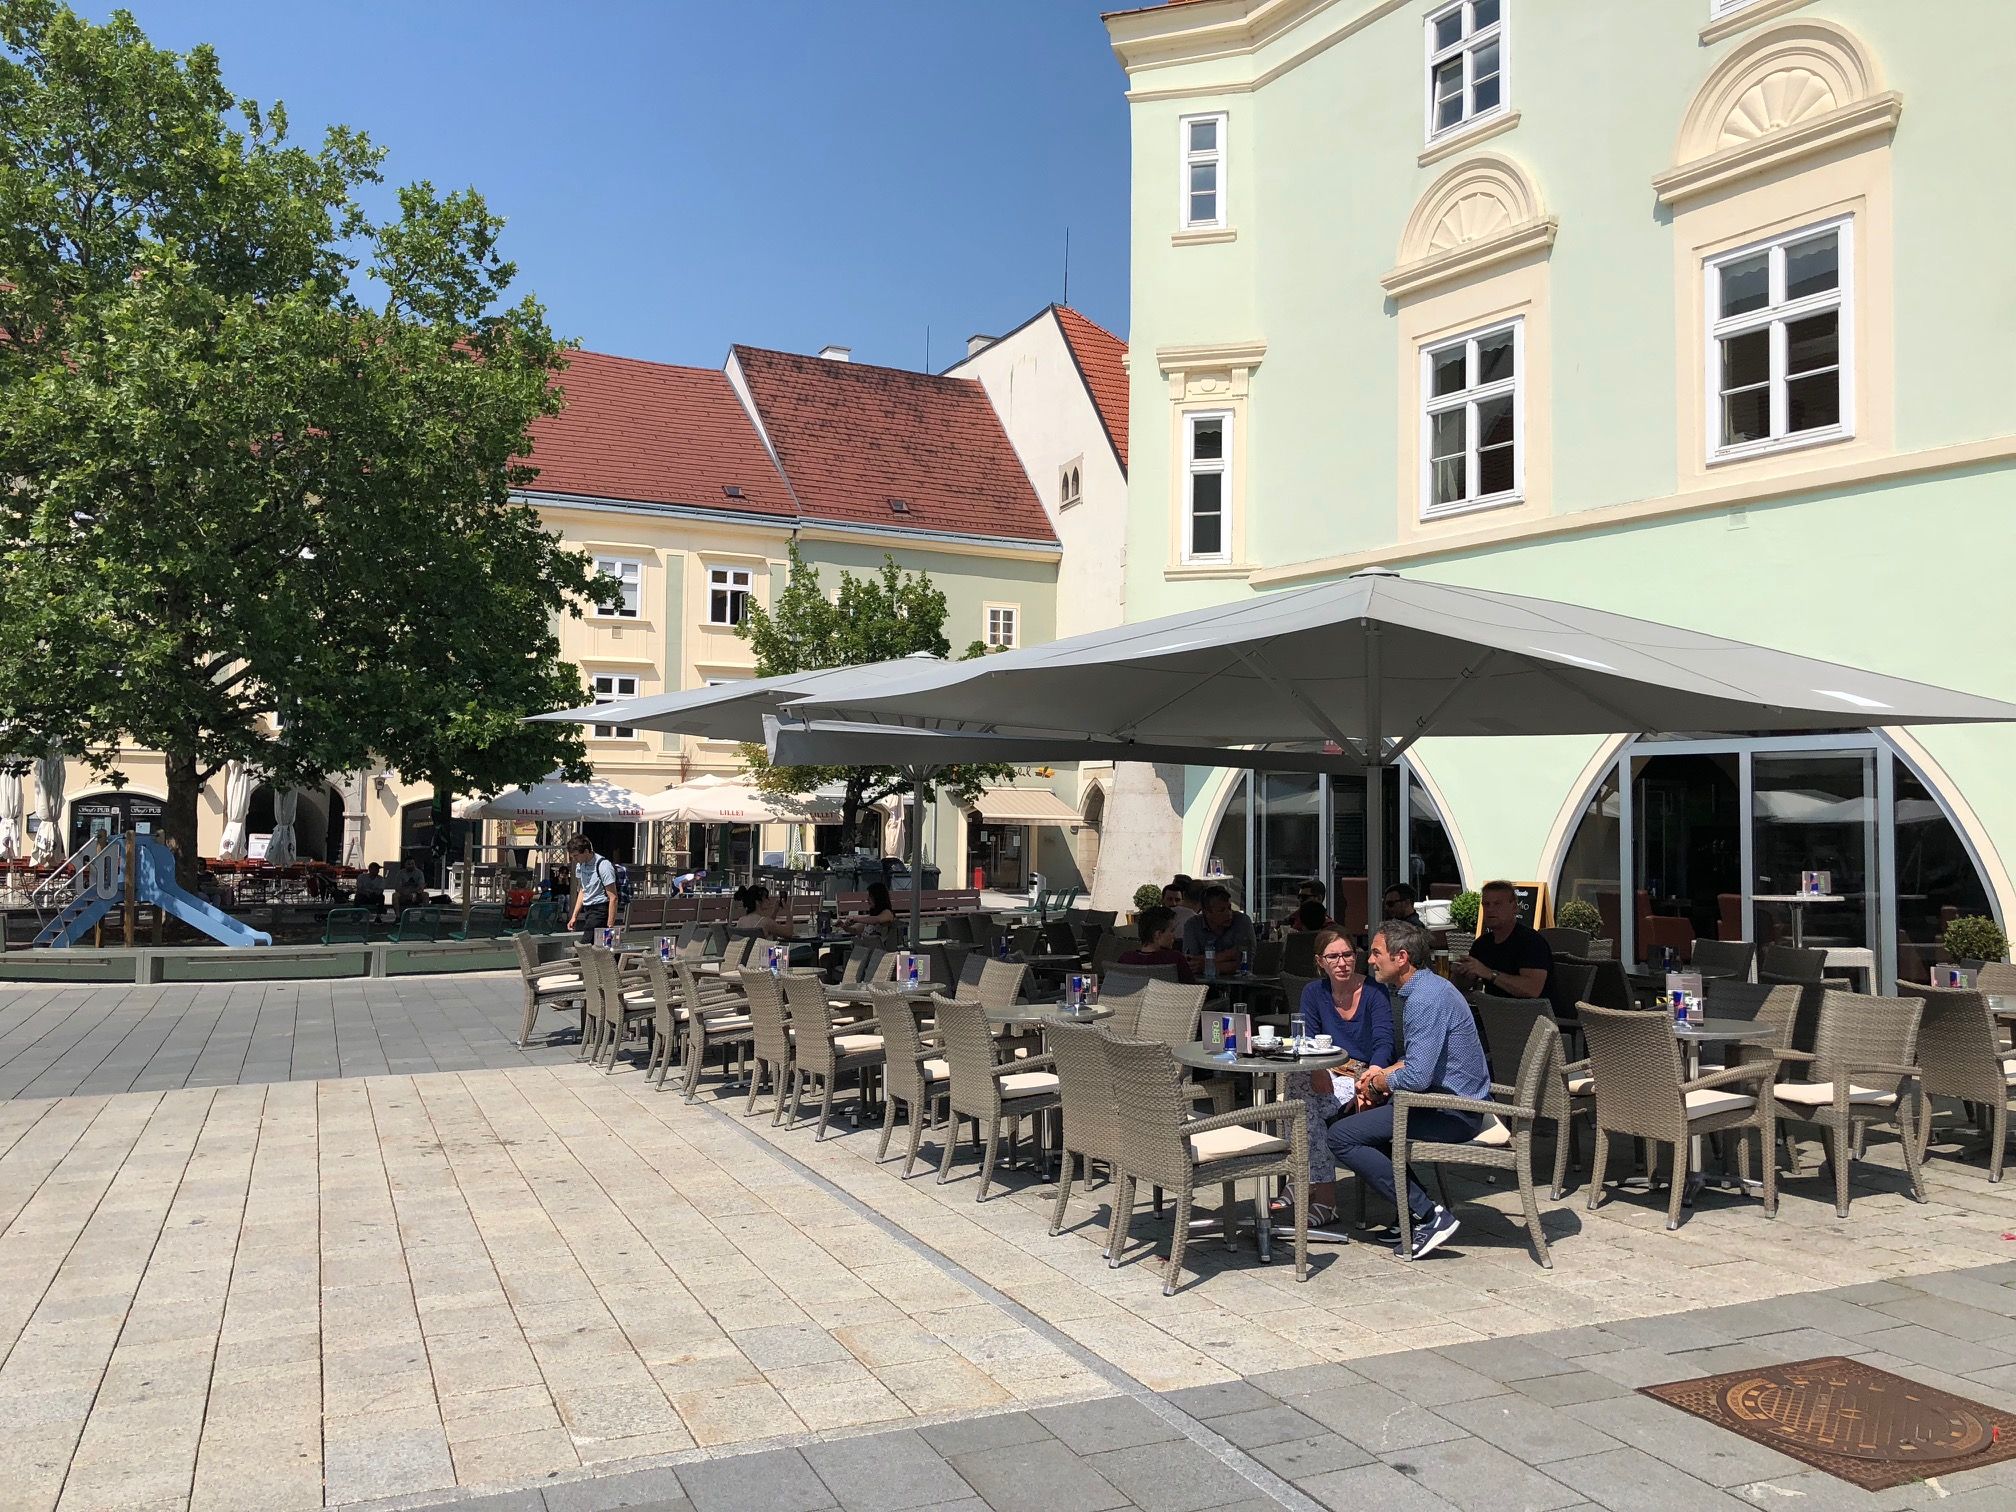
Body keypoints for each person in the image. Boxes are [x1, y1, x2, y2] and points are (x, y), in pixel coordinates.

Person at [1331, 917, 1493, 1259]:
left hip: (1456, 1112)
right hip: (1444, 1102)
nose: (1370, 960)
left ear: (1401, 957)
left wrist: (1378, 1082)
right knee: (1358, 1125)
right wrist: (1385, 1071)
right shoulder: (1428, 989)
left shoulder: (1424, 1000)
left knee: (1342, 1136)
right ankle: (1409, 1214)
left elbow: (1418, 1077)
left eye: (1376, 953)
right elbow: (1419, 1059)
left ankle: (1427, 1214)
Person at [1279, 930, 1394, 1228]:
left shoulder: (1373, 991)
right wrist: (1318, 1069)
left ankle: (1306, 1180)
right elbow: (1303, 1037)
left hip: (1363, 1074)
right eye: (1333, 957)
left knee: (1303, 1101)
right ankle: (1319, 1189)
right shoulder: (1314, 993)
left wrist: (1373, 1074)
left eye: (1347, 955)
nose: (1342, 963)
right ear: (1320, 962)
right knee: (1299, 1087)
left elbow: (1384, 1042)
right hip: (1325, 1071)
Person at [1452, 879, 1552, 1000]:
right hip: (1495, 1012)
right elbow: (1465, 985)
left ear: (1514, 907)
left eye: (1497, 904)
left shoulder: (1531, 942)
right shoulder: (1482, 944)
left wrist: (1489, 973)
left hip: (1534, 1015)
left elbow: (1532, 989)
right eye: (1486, 904)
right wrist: (1460, 974)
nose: (1490, 909)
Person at [1181, 884, 1255, 975]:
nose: (1229, 914)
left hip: (1240, 986)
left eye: (1229, 908)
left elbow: (1246, 964)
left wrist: (1206, 965)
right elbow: (1191, 962)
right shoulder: (1193, 925)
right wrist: (1228, 955)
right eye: (1222, 910)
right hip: (1202, 985)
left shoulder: (1242, 921)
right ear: (1207, 912)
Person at [1116, 905, 1196, 983]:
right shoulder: (1175, 959)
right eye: (1171, 931)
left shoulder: (1126, 959)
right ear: (1158, 934)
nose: (1174, 936)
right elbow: (1191, 990)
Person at [565, 835, 620, 943]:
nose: (575, 860)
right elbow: (583, 890)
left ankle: (578, 960)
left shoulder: (603, 866)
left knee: (585, 944)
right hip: (588, 909)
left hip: (601, 908)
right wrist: (574, 916)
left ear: (586, 851)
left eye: (576, 856)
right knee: (598, 946)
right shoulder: (580, 865)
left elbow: (613, 897)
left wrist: (610, 925)